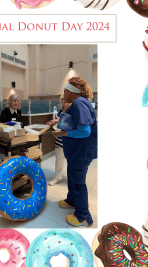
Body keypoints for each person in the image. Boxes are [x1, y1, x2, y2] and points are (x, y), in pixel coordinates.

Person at [52, 77, 97, 227]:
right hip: (75, 151)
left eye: (65, 90)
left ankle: (83, 215)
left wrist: (61, 134)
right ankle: (71, 200)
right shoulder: (77, 104)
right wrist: (57, 123)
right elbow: (72, 122)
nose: (63, 93)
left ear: (72, 92)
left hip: (81, 152)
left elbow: (84, 131)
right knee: (72, 177)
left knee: (78, 183)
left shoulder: (80, 104)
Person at [48, 95, 70, 186]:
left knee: (71, 161)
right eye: (62, 99)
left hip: (69, 140)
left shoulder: (72, 111)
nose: (64, 100)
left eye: (66, 98)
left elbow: (67, 126)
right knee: (59, 160)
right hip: (59, 140)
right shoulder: (60, 112)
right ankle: (58, 178)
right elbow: (56, 125)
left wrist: (60, 126)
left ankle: (71, 178)